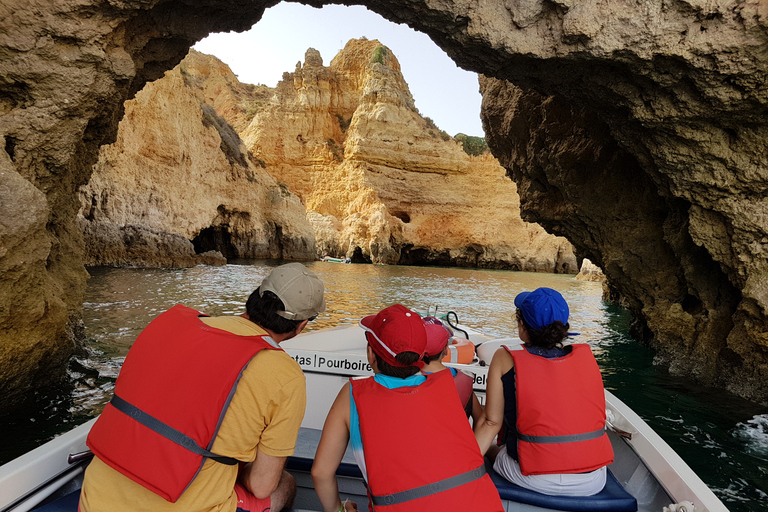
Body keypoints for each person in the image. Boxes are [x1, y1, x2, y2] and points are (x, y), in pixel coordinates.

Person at [80, 263, 326, 512]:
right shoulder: (286, 376)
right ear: (302, 324)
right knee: (285, 484)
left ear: (255, 297)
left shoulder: (171, 323)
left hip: (94, 499)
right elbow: (261, 486)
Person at [311, 304, 503, 512]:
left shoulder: (352, 395)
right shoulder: (449, 383)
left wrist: (339, 509)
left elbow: (321, 473)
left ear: (370, 354)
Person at [474, 287, 614, 497]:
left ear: (522, 326)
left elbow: (491, 423)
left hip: (533, 477)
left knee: (495, 448)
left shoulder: (504, 357)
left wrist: (461, 470)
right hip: (592, 481)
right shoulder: (586, 358)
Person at [420, 319, 483, 424]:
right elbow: (480, 420)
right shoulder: (464, 380)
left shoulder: (406, 378)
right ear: (446, 350)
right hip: (453, 439)